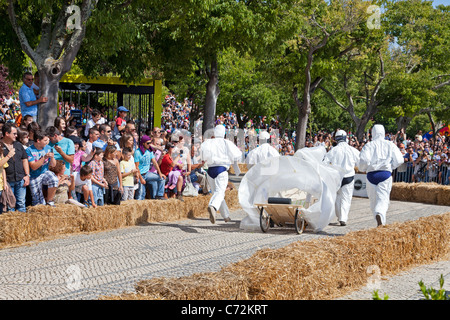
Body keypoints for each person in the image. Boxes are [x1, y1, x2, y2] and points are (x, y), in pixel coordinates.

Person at [358, 124, 404, 227]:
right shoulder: (390, 144)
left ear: (373, 133)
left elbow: (364, 160)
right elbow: (400, 160)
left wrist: (363, 169)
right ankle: (380, 215)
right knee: (383, 199)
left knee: (373, 201)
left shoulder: (369, 145)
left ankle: (378, 219)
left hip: (371, 175)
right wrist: (391, 166)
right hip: (385, 174)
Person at [200, 125, 242, 224]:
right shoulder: (226, 142)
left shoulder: (208, 143)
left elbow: (202, 156)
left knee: (218, 194)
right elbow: (237, 155)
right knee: (220, 193)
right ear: (223, 133)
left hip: (210, 170)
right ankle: (213, 206)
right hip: (221, 169)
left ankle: (226, 216)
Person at [323, 130, 360, 226]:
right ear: (345, 138)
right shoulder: (352, 150)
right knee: (346, 198)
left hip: (336, 178)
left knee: (338, 198)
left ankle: (340, 217)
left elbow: (324, 163)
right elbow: (360, 161)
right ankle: (343, 217)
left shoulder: (333, 150)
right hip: (349, 176)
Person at [1, 123, 30, 212]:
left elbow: (24, 160)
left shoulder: (18, 145)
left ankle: (23, 224)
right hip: (8, 181)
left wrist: (27, 175)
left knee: (21, 203)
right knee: (10, 205)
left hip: (20, 179)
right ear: (7, 134)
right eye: (14, 134)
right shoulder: (0, 146)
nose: (16, 136)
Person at [26, 130, 59, 206]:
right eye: (45, 140)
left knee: (54, 179)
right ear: (38, 140)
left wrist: (52, 158)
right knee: (38, 202)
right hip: (34, 176)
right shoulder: (29, 150)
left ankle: (50, 201)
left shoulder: (49, 148)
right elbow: (33, 167)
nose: (47, 141)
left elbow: (53, 165)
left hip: (44, 173)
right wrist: (44, 158)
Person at [134, 135, 166, 200]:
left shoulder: (149, 151)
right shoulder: (137, 152)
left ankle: (159, 195)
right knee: (141, 194)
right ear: (143, 143)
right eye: (148, 143)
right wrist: (141, 178)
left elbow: (155, 163)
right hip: (140, 175)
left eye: (150, 143)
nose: (149, 144)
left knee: (162, 178)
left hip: (147, 174)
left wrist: (160, 173)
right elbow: (136, 167)